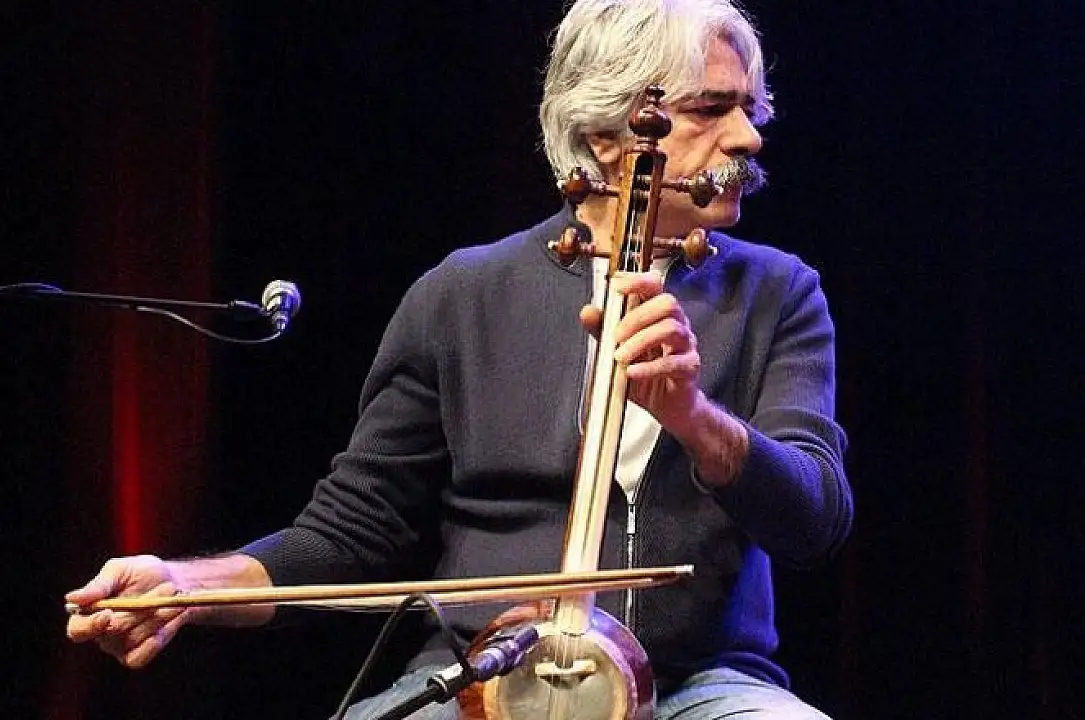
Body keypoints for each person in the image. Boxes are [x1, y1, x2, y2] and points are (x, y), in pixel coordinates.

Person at [64, 0, 853, 717]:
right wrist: (185, 585)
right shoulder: (462, 294)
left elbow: (815, 518)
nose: (748, 137)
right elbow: (352, 533)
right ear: (608, 137)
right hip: (481, 676)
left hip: (700, 686)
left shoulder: (778, 294)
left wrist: (696, 418)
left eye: (750, 109)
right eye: (711, 109)